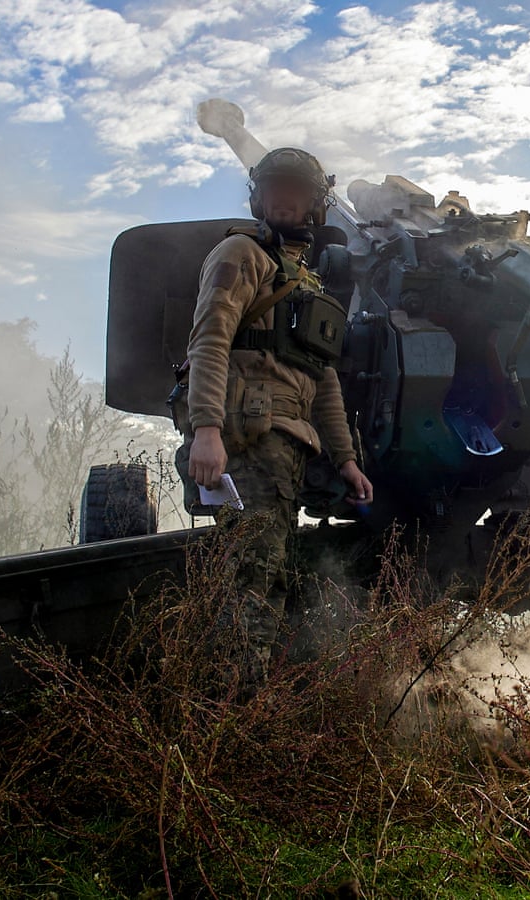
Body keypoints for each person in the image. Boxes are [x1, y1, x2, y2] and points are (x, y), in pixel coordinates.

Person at [175, 147, 373, 693]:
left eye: (297, 192)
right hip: (246, 439)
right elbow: (209, 340)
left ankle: (249, 708)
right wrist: (207, 431)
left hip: (286, 447)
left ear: (315, 205)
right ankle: (231, 715)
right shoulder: (240, 253)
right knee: (251, 585)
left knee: (272, 580)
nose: (285, 200)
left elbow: (324, 380)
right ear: (258, 199)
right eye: (275, 190)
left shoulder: (308, 283)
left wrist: (346, 460)